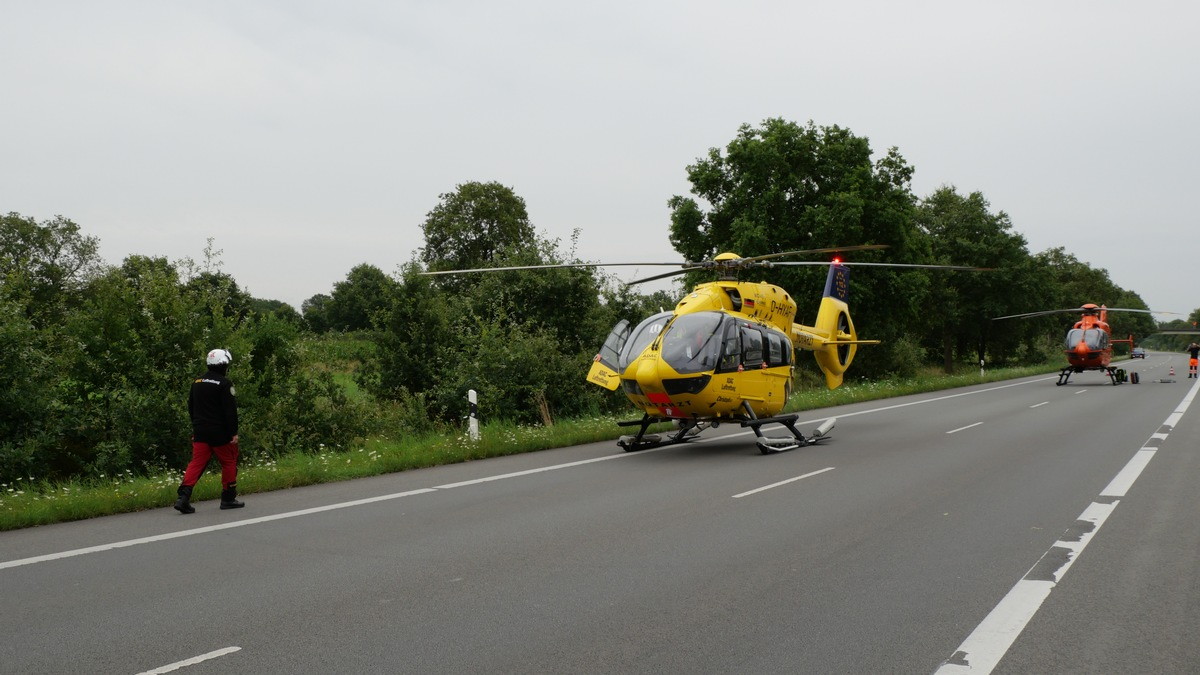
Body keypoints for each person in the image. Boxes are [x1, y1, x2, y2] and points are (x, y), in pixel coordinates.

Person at [174, 348, 245, 513]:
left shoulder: (197, 382)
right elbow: (230, 411)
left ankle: (182, 497)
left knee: (196, 463)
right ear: (224, 365)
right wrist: (233, 432)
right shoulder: (224, 383)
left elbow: (191, 406)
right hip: (220, 433)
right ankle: (228, 498)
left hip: (200, 431)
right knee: (229, 462)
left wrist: (196, 426)